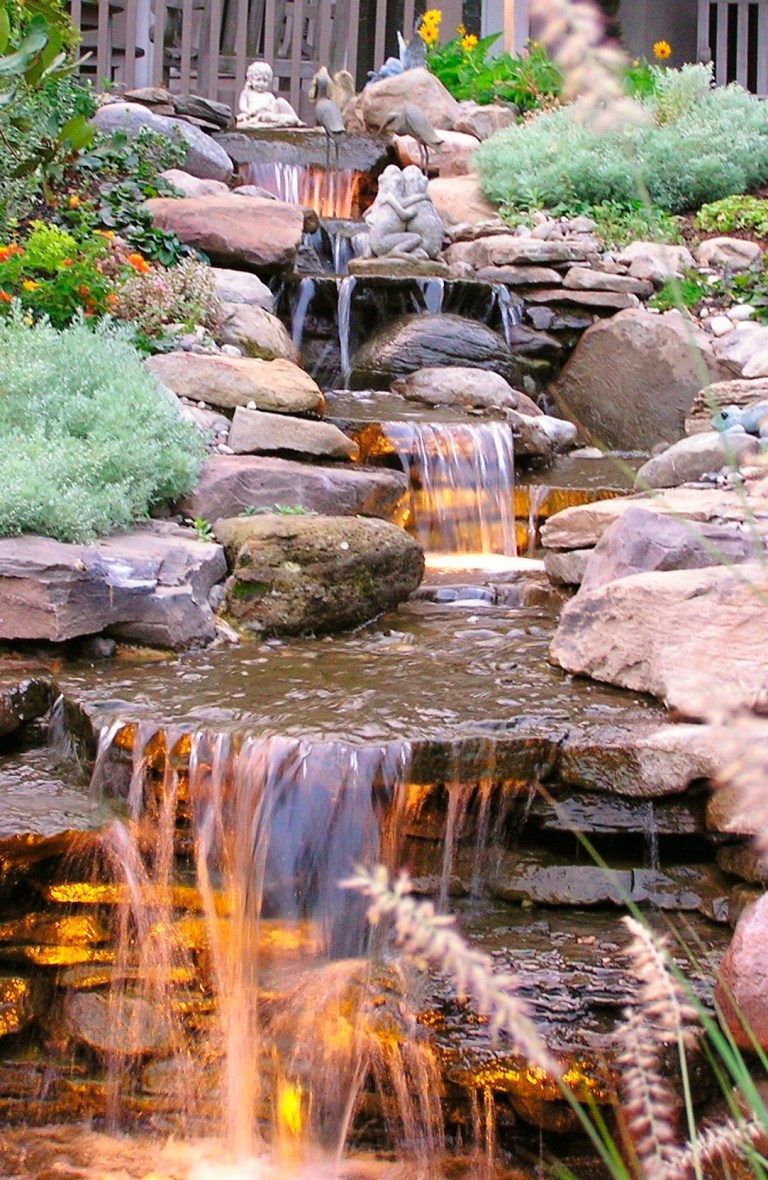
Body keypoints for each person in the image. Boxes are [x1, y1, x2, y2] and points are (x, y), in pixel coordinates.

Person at [236, 61, 303, 128]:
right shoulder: (247, 93)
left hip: (270, 115)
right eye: (258, 80)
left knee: (280, 100)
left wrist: (268, 108)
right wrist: (249, 111)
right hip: (258, 116)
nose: (261, 84)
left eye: (265, 81)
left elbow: (274, 108)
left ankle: (296, 120)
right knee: (268, 117)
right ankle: (286, 120)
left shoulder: (269, 95)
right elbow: (243, 107)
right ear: (250, 80)